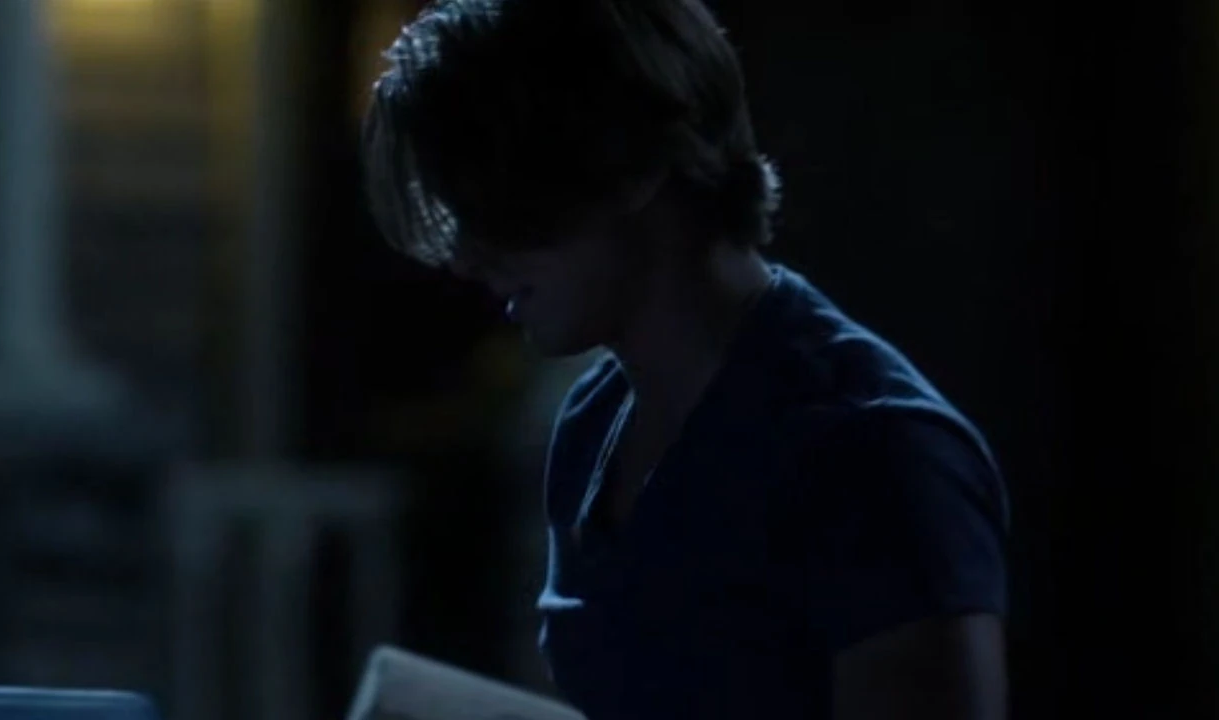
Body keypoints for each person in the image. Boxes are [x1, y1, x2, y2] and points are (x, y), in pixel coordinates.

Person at [360, 0, 1010, 717]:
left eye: (503, 196)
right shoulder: (591, 427)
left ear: (634, 162)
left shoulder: (870, 452)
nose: (467, 257)